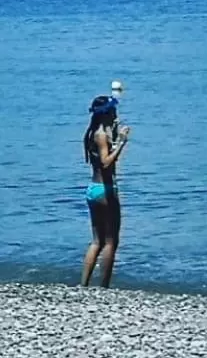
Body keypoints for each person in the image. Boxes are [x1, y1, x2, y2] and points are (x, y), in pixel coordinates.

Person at [81, 94, 130, 287]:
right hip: (105, 190)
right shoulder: (101, 135)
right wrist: (122, 142)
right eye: (113, 111)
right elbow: (106, 162)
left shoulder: (93, 133)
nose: (116, 114)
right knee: (111, 241)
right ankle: (104, 286)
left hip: (93, 189)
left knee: (97, 241)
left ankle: (84, 284)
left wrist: (116, 137)